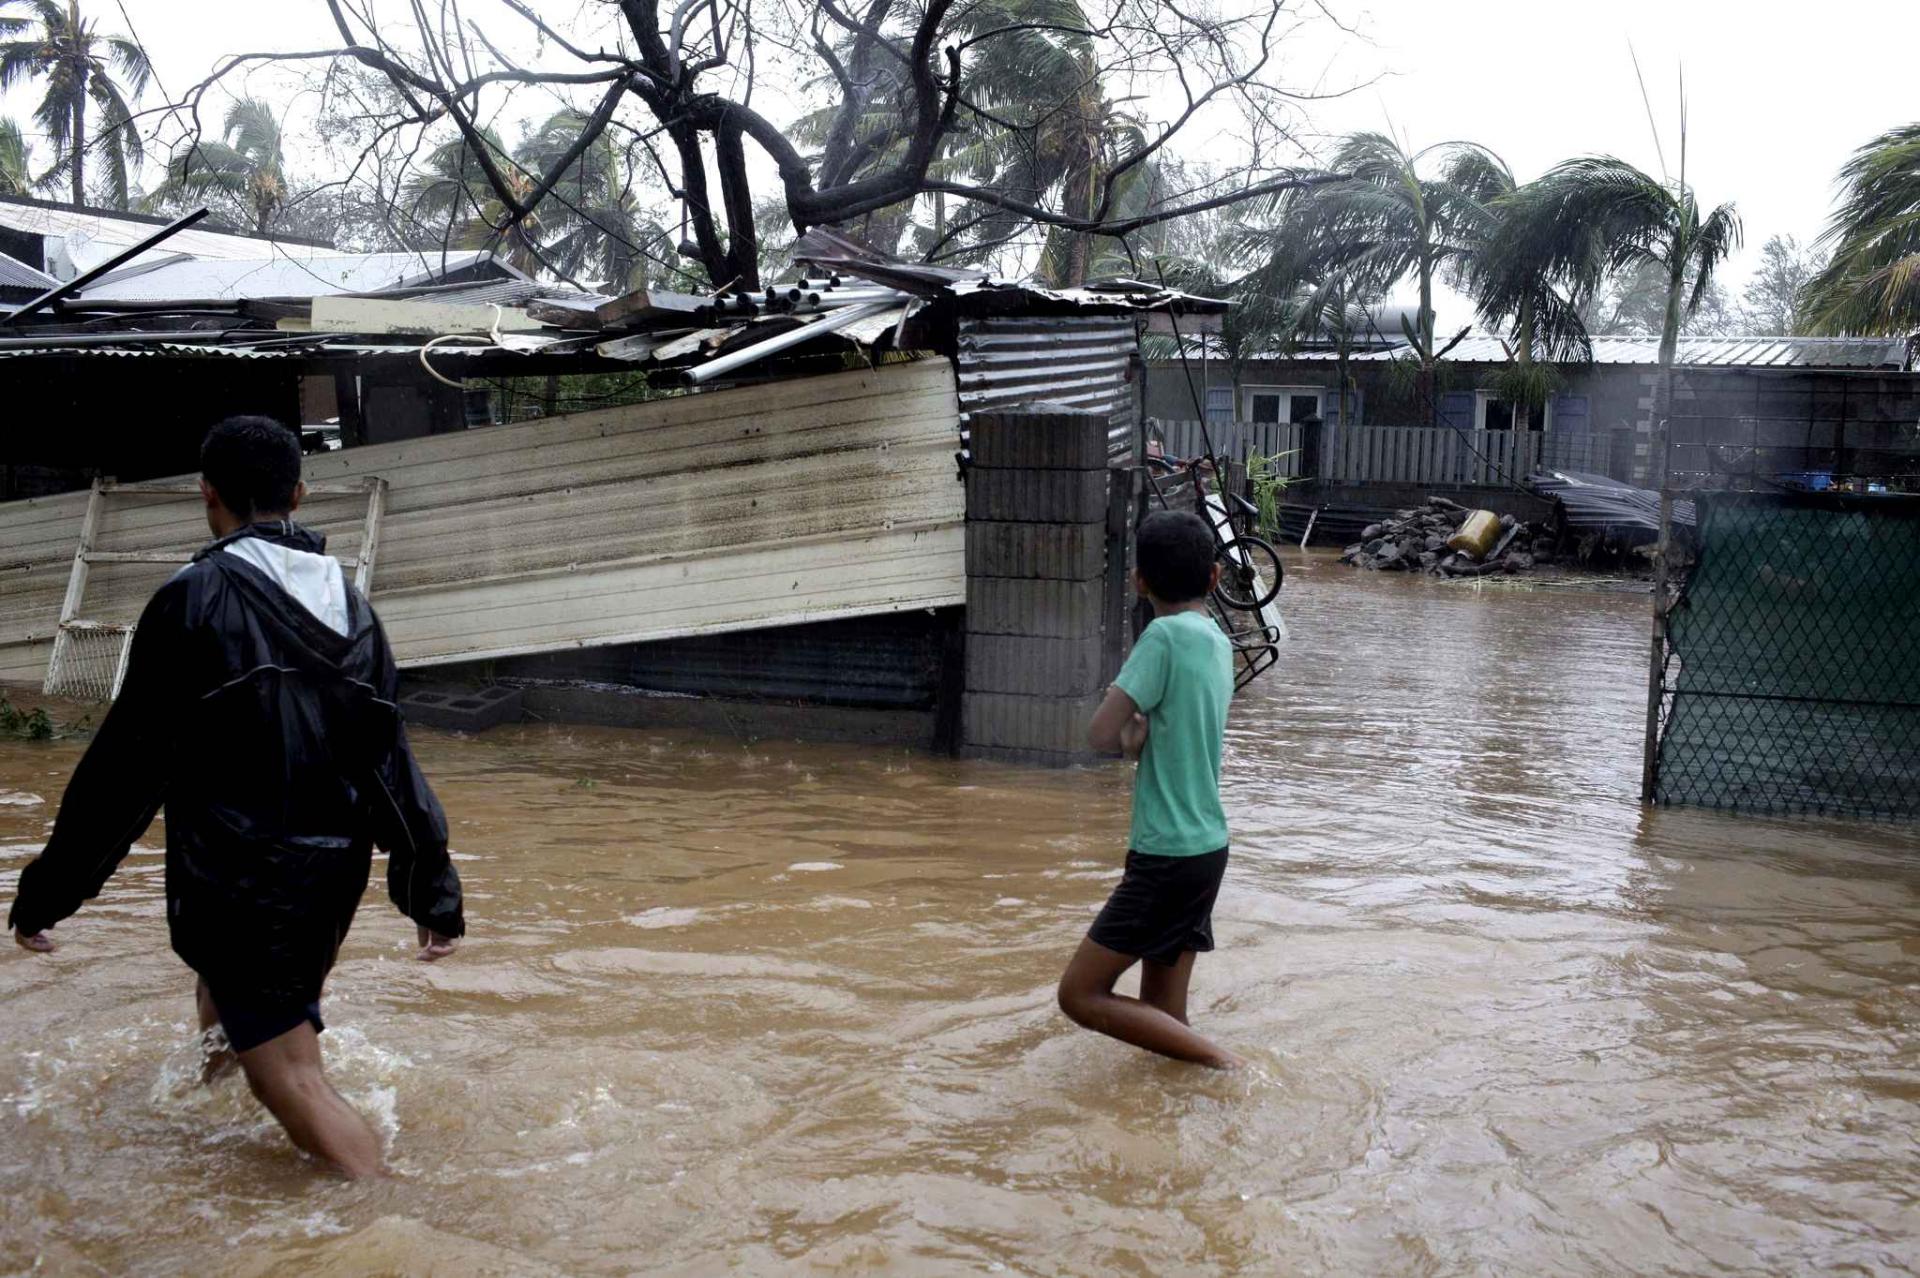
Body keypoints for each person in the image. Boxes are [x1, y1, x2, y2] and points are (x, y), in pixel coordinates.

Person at [7, 416, 465, 1178]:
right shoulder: (353, 608)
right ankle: (206, 1113)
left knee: (288, 1073)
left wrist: (50, 891)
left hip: (242, 873)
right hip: (326, 874)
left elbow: (126, 768)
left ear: (206, 496)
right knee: (239, 1009)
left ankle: (391, 1214)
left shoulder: (191, 599)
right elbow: (389, 761)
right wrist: (429, 889)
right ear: (299, 493)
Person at [1057, 510, 1240, 1069]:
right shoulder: (1216, 640)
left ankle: (1228, 1066)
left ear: (1139, 581)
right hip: (1206, 850)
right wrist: (1139, 732)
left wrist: (1126, 713)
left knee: (1079, 995)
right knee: (1163, 1020)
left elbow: (1100, 734)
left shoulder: (1161, 636)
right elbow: (1148, 740)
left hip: (1165, 853)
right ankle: (1175, 1118)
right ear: (1213, 578)